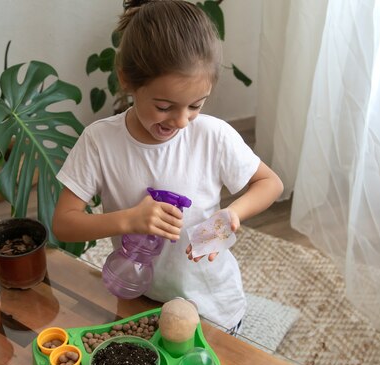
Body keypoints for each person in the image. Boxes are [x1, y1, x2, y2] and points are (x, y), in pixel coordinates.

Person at [52, 0, 283, 331]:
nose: (180, 120)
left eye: (195, 106)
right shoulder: (100, 141)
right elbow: (64, 224)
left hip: (211, 307)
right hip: (139, 301)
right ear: (127, 81)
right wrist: (128, 220)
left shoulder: (212, 136)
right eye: (163, 106)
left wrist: (232, 215)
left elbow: (269, 183)